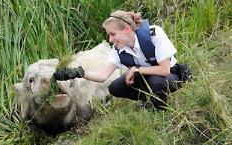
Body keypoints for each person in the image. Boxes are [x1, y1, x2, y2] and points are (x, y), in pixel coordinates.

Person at [53, 10, 181, 110]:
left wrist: (136, 69)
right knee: (115, 88)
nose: (110, 39)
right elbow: (102, 75)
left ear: (126, 29)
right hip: (147, 77)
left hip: (171, 75)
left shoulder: (154, 33)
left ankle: (160, 108)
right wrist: (79, 73)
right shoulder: (118, 49)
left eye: (112, 34)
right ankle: (149, 100)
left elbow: (165, 70)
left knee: (156, 82)